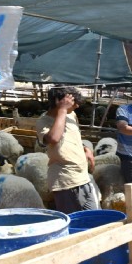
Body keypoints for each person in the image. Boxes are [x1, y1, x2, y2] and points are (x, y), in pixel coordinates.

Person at [36, 86, 98, 214]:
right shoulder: (44, 121)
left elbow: (74, 136)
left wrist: (85, 148)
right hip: (66, 180)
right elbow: (54, 138)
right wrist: (62, 110)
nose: (77, 106)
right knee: (76, 222)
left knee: (94, 218)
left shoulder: (71, 115)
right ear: (60, 102)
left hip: (83, 176)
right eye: (72, 102)